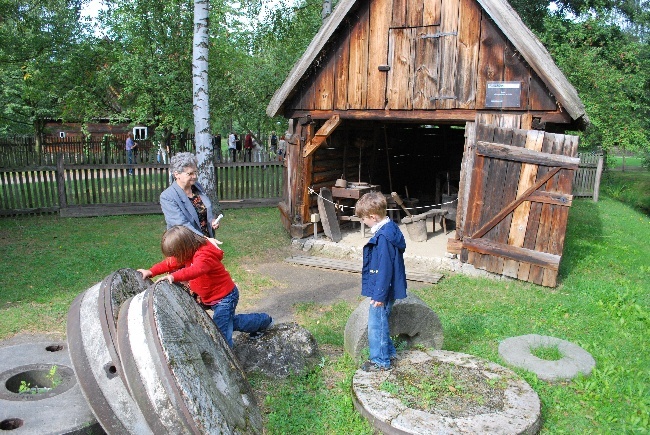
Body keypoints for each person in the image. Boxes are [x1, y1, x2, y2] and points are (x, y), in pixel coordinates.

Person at [138, 225, 273, 347]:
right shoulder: (187, 252)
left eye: (177, 255)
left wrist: (173, 276)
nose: (176, 259)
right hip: (210, 297)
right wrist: (150, 271)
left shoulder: (205, 254)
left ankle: (229, 360)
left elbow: (195, 270)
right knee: (229, 323)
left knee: (221, 332)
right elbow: (169, 263)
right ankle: (262, 321)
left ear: (185, 248)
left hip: (224, 299)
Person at [354, 191, 407, 372]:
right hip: (386, 287)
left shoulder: (384, 238)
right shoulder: (390, 228)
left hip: (383, 289)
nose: (363, 222)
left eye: (363, 219)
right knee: (382, 320)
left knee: (377, 324)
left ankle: (380, 361)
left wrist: (379, 295)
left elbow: (385, 269)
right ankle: (389, 352)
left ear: (373, 217)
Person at [160, 152, 222, 238]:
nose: (195, 176)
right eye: (190, 174)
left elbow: (203, 212)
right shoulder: (167, 196)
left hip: (206, 240)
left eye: (195, 172)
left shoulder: (197, 187)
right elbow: (181, 225)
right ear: (176, 174)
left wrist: (211, 221)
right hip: (186, 243)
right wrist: (205, 239)